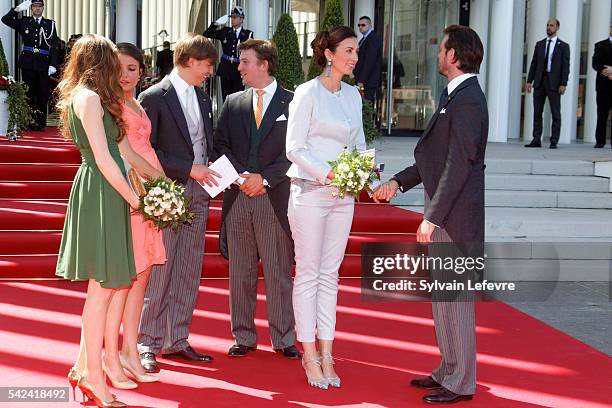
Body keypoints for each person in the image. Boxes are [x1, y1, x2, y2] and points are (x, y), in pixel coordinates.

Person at [374, 25, 488, 405]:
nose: (437, 54)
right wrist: (397, 181)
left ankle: (461, 382)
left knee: (455, 303)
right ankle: (448, 369)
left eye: (442, 49)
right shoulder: (453, 96)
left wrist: (432, 216)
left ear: (454, 55)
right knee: (443, 301)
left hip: (454, 218)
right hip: (446, 213)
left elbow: (459, 165)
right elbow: (434, 158)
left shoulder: (469, 99)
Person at [55, 34, 164, 407]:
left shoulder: (92, 99)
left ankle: (84, 368)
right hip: (103, 191)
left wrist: (150, 189)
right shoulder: (87, 99)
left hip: (109, 192)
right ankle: (94, 381)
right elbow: (103, 159)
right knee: (101, 292)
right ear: (98, 63)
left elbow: (122, 151)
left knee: (104, 290)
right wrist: (136, 199)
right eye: (110, 63)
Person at [286, 26, 365, 390]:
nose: (354, 57)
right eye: (349, 50)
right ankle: (308, 352)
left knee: (330, 275)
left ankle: (328, 352)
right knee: (308, 273)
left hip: (343, 196)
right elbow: (295, 148)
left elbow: (359, 145)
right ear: (329, 53)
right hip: (310, 192)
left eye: (357, 51)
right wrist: (329, 173)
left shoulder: (353, 96)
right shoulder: (307, 93)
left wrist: (361, 173)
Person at [137, 33, 220, 373]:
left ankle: (177, 339)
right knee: (162, 268)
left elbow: (204, 141)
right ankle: (147, 341)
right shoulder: (154, 97)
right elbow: (146, 149)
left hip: (200, 192)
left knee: (189, 267)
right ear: (189, 61)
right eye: (207, 64)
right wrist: (189, 169)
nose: (211, 70)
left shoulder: (202, 97)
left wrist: (215, 168)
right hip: (169, 191)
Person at [213, 39, 300, 360]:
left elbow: (297, 151)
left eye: (245, 62)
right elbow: (218, 145)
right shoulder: (233, 102)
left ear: (264, 64)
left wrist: (263, 179)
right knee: (241, 271)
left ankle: (283, 337)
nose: (239, 67)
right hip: (238, 196)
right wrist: (241, 177)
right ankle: (244, 336)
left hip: (273, 197)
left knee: (278, 270)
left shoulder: (294, 103)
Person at [98, 42, 167, 391]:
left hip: (149, 192)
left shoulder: (136, 103)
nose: (126, 75)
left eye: (132, 68)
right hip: (133, 191)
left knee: (143, 277)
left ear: (142, 71)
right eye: (120, 68)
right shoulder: (109, 104)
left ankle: (129, 351)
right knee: (127, 277)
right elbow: (125, 154)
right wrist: (160, 180)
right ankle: (113, 354)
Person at [2, 0, 58, 131]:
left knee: (42, 93)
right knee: (28, 93)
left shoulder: (50, 24)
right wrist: (17, 10)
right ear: (31, 8)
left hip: (43, 63)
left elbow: (53, 46)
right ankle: (28, 121)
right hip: (28, 62)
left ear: (43, 8)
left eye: (39, 6)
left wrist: (53, 64)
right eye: (34, 6)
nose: (37, 9)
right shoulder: (25, 22)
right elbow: (5, 19)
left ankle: (41, 123)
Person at [525, 18, 570, 149]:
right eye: (547, 25)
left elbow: (566, 67)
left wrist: (563, 83)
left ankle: (554, 140)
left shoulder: (563, 46)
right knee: (537, 112)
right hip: (539, 82)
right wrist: (529, 81)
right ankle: (536, 139)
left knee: (556, 113)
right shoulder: (539, 44)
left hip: (554, 84)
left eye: (551, 25)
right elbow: (534, 64)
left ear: (557, 28)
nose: (549, 27)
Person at [204, 6, 253, 101]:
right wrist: (217, 23)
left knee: (238, 99)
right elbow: (206, 34)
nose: (232, 20)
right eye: (232, 17)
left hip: (240, 69)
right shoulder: (225, 31)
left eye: (235, 17)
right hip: (226, 68)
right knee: (226, 98)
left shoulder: (247, 34)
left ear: (241, 19)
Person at [592, 24, 612, 148]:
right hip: (603, 86)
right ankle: (600, 141)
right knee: (601, 115)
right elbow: (595, 63)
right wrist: (607, 72)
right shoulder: (599, 45)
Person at [353, 16, 382, 103]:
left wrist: (362, 80)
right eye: (359, 25)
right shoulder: (364, 39)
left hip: (368, 82)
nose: (360, 27)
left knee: (366, 105)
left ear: (370, 25)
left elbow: (369, 62)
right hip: (364, 80)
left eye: (363, 25)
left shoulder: (373, 39)